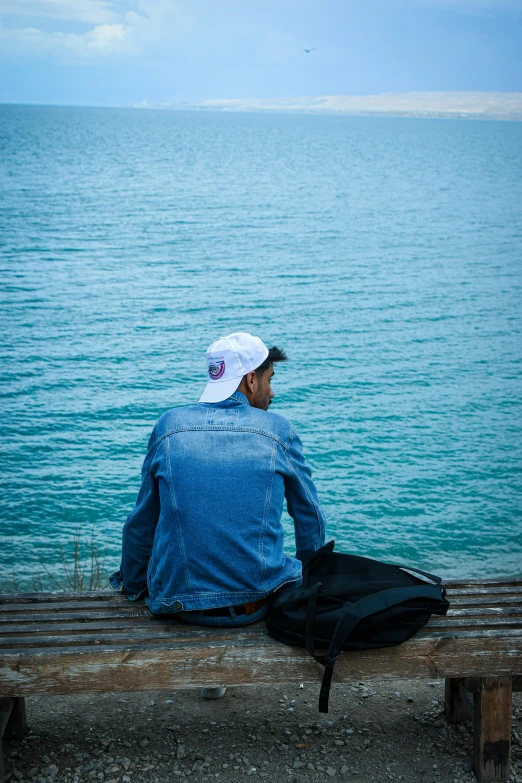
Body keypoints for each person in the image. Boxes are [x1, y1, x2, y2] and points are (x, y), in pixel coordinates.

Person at [110, 332, 326, 695]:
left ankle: (212, 674)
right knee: (280, 564)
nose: (272, 393)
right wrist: (313, 585)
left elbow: (140, 524)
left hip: (179, 604)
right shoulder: (279, 431)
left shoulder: (169, 427)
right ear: (250, 379)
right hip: (254, 602)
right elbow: (310, 519)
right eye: (270, 380)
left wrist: (134, 586)